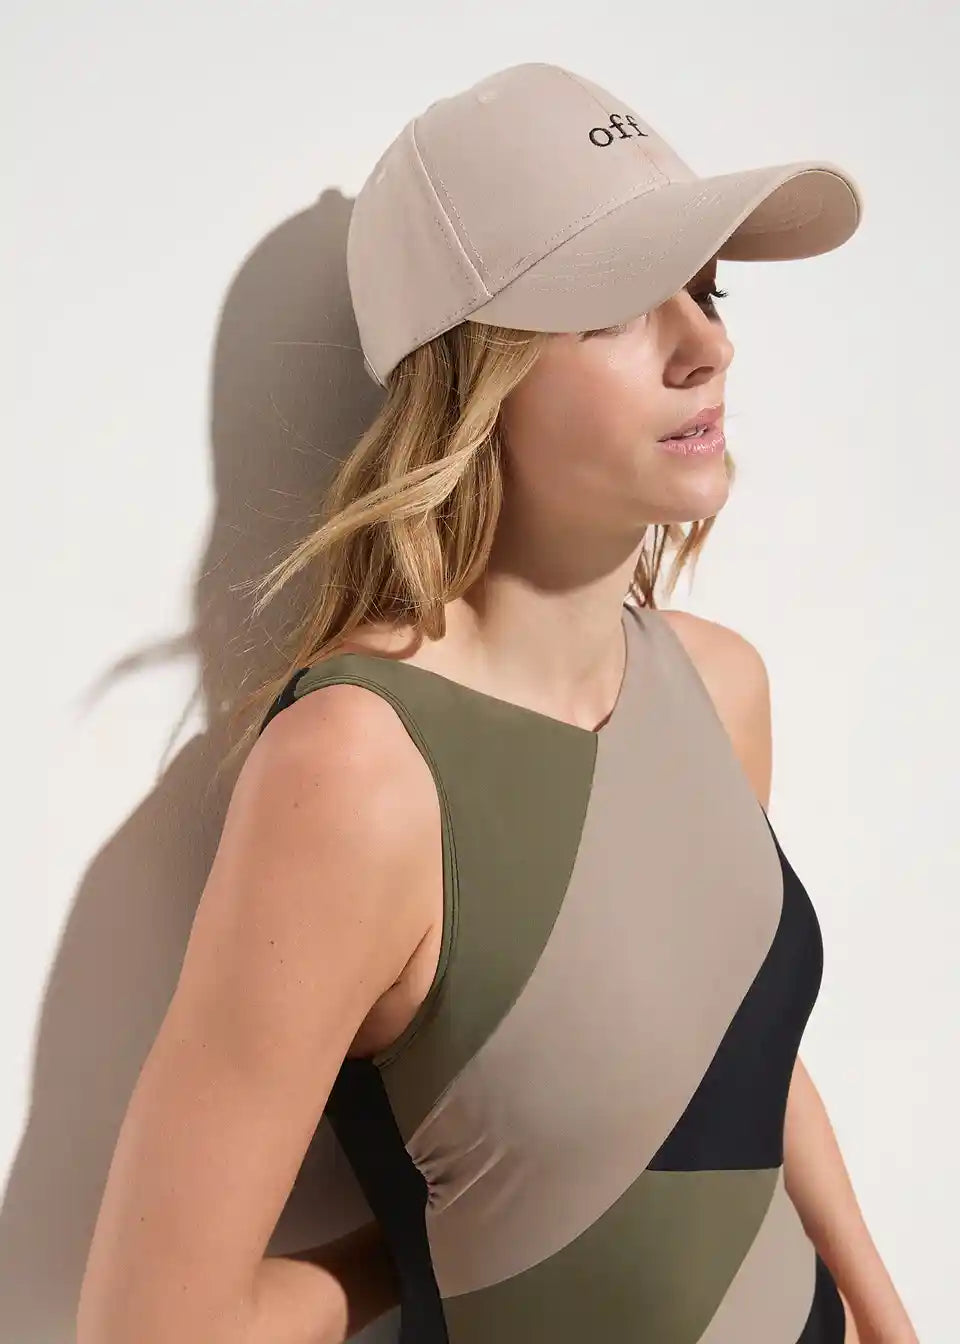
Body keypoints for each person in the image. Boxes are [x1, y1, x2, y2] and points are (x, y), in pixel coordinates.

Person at [77, 61, 919, 1344]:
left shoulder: (720, 684)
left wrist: (885, 1311)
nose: (710, 345)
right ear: (477, 374)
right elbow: (153, 1325)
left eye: (707, 289)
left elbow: (732, 1049)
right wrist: (435, 1240)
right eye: (625, 304)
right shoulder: (358, 771)